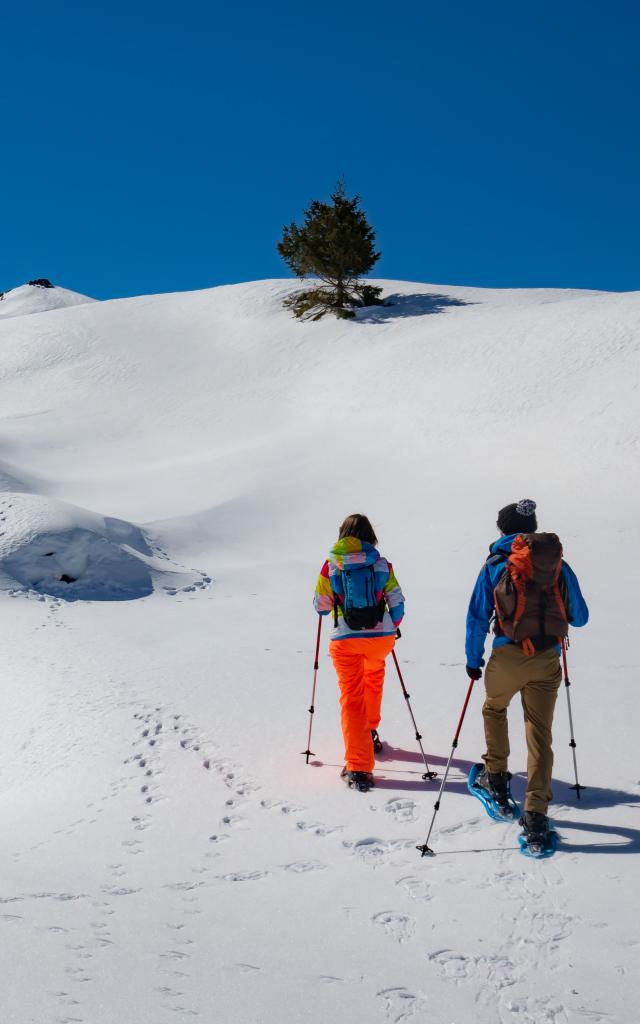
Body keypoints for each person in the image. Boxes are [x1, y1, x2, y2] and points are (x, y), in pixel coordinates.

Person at [465, 499, 589, 843]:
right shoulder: (558, 566)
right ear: (533, 529)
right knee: (539, 732)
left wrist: (473, 660)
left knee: (494, 708)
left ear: (502, 530)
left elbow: (477, 617)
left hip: (506, 655)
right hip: (547, 657)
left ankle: (497, 779)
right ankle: (535, 814)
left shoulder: (494, 563)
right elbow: (581, 616)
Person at [313, 514, 405, 792]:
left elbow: (322, 606)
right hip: (380, 638)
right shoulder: (381, 564)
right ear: (370, 536)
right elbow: (397, 604)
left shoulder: (331, 566)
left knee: (352, 697)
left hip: (346, 639)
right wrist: (388, 626)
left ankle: (358, 766)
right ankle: (371, 731)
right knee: (374, 676)